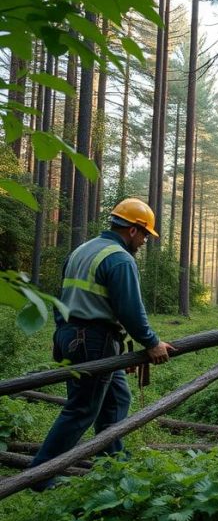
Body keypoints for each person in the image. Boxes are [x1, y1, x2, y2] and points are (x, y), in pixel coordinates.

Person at [30, 198, 174, 488]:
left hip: (73, 337)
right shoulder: (120, 259)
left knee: (118, 399)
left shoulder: (82, 250)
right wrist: (152, 342)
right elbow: (130, 310)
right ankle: (39, 477)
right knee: (81, 409)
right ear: (132, 230)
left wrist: (63, 335)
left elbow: (62, 298)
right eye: (145, 234)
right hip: (94, 341)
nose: (145, 241)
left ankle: (113, 467)